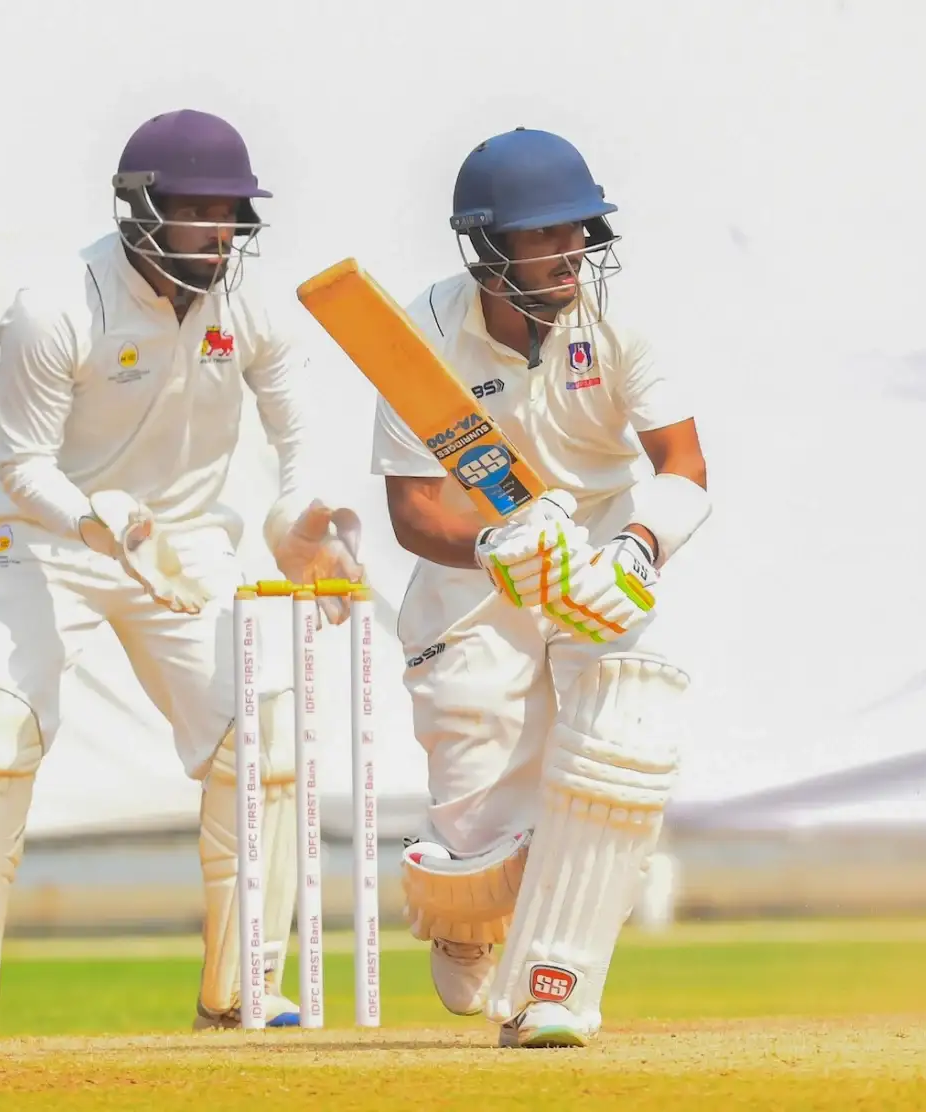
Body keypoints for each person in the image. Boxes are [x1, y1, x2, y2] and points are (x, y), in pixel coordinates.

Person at [0, 109, 363, 1038]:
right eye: (195, 210)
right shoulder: (55, 309)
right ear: (140, 209)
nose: (217, 233)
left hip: (186, 540)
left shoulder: (252, 308)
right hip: (49, 537)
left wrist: (297, 525)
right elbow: (21, 465)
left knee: (266, 744)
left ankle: (242, 986)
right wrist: (97, 524)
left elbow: (298, 437)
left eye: (229, 213)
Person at [372, 127, 711, 1048]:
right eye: (543, 235)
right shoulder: (419, 336)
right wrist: (495, 548)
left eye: (579, 230)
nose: (571, 252)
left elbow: (683, 465)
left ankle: (553, 987)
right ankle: (467, 909)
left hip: (598, 546)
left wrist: (637, 548)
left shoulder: (620, 322)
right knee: (483, 815)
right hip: (475, 565)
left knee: (621, 744)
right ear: (487, 246)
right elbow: (412, 511)